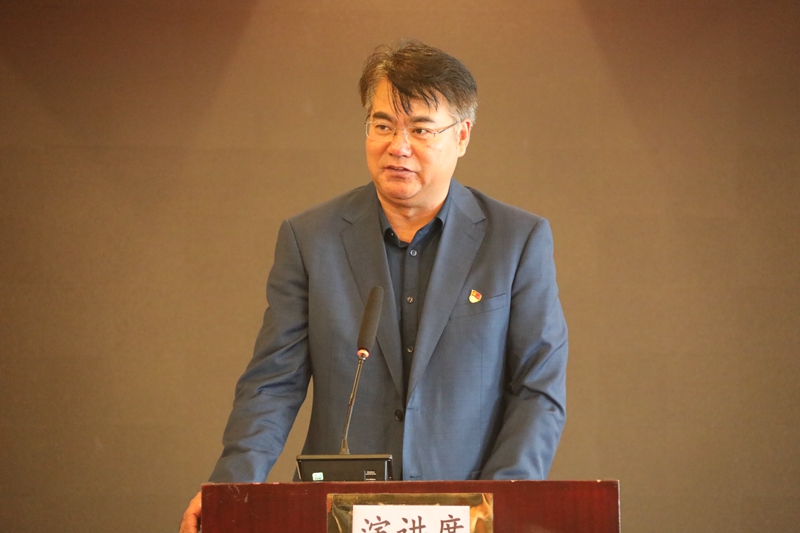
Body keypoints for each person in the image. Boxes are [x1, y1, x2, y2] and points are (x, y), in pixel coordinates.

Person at [179, 40, 568, 533]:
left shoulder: (515, 240)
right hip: (338, 512)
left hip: (467, 514)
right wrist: (228, 492)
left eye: (420, 129)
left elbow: (538, 389)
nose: (398, 146)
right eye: (383, 126)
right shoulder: (311, 238)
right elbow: (272, 384)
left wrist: (500, 503)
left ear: (462, 135)